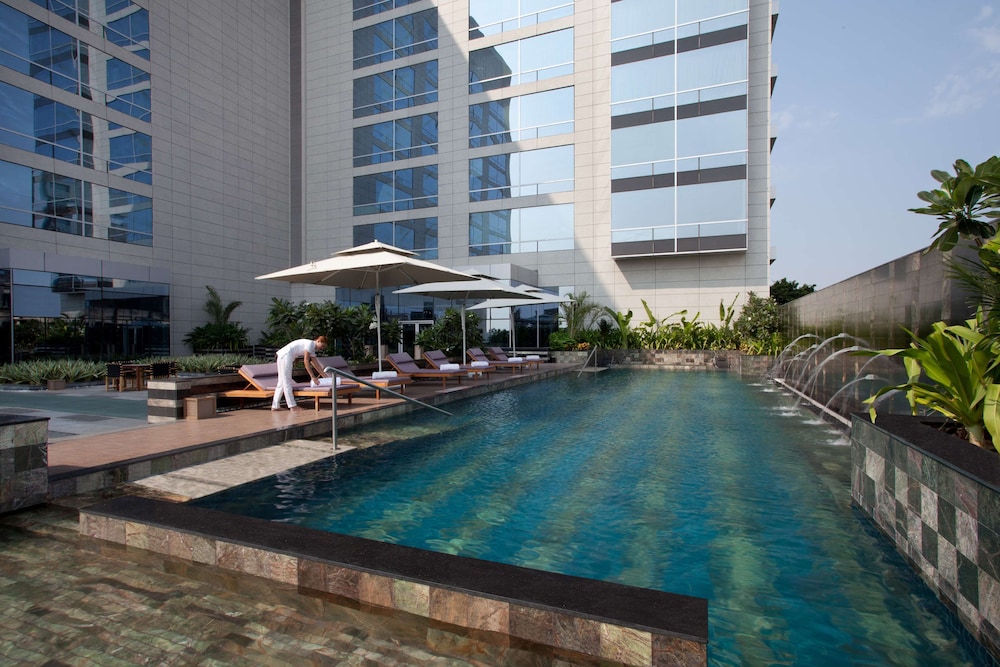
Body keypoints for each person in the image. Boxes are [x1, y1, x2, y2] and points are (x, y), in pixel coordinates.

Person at [272, 335, 328, 411]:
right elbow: (306, 361)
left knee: (281, 382)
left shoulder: (312, 348)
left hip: (283, 356)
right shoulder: (310, 344)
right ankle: (292, 406)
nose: (322, 348)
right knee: (287, 381)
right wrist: (312, 376)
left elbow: (316, 364)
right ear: (318, 341)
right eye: (322, 346)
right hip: (285, 356)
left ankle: (275, 406)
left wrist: (326, 377)